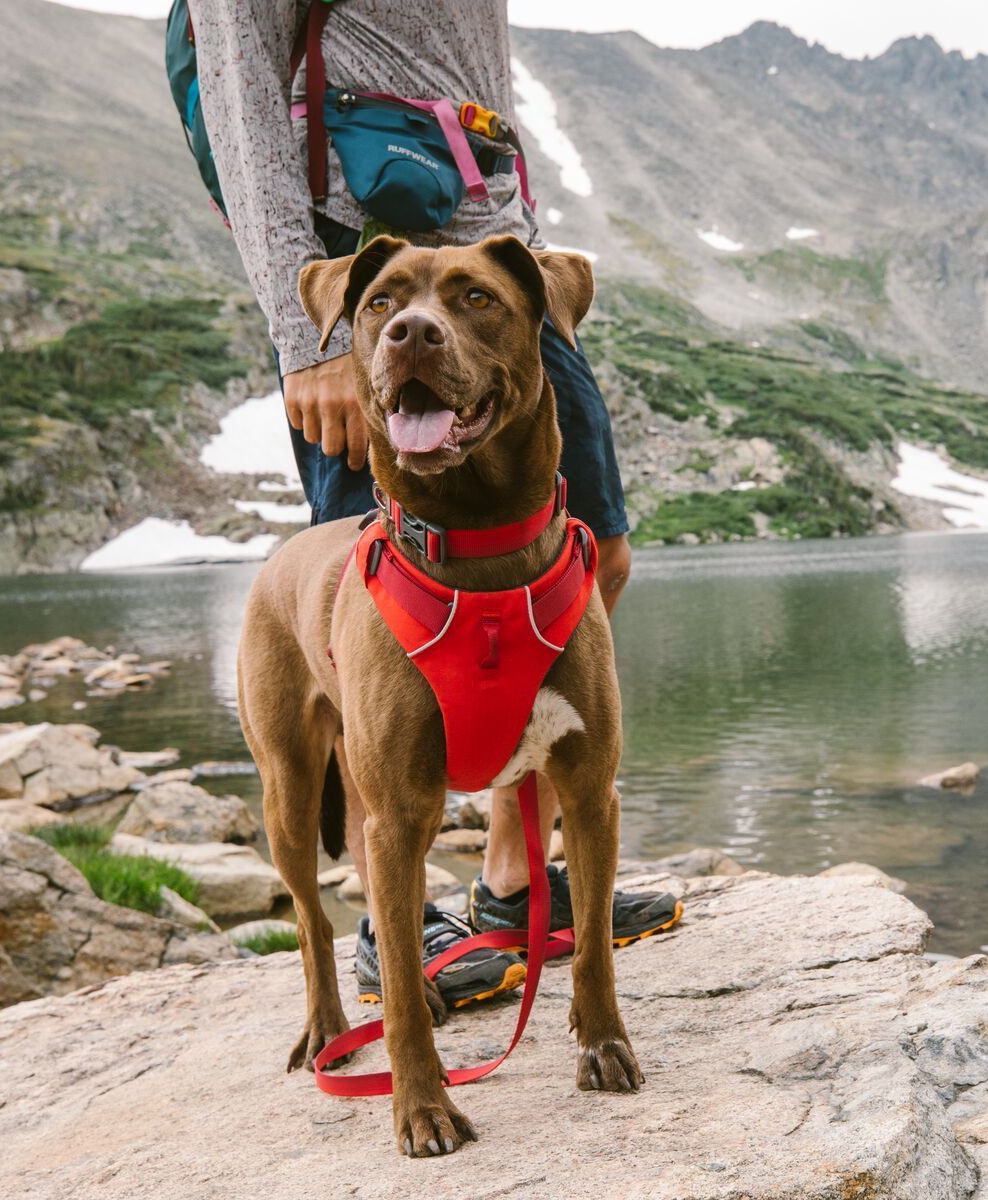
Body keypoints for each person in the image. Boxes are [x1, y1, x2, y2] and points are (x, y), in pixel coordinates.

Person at [192, 0, 679, 1009]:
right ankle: (394, 924)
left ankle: (509, 876)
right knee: (371, 637)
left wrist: (525, 254)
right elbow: (243, 107)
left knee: (595, 553)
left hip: (493, 256)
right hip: (362, 269)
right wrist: (311, 339)